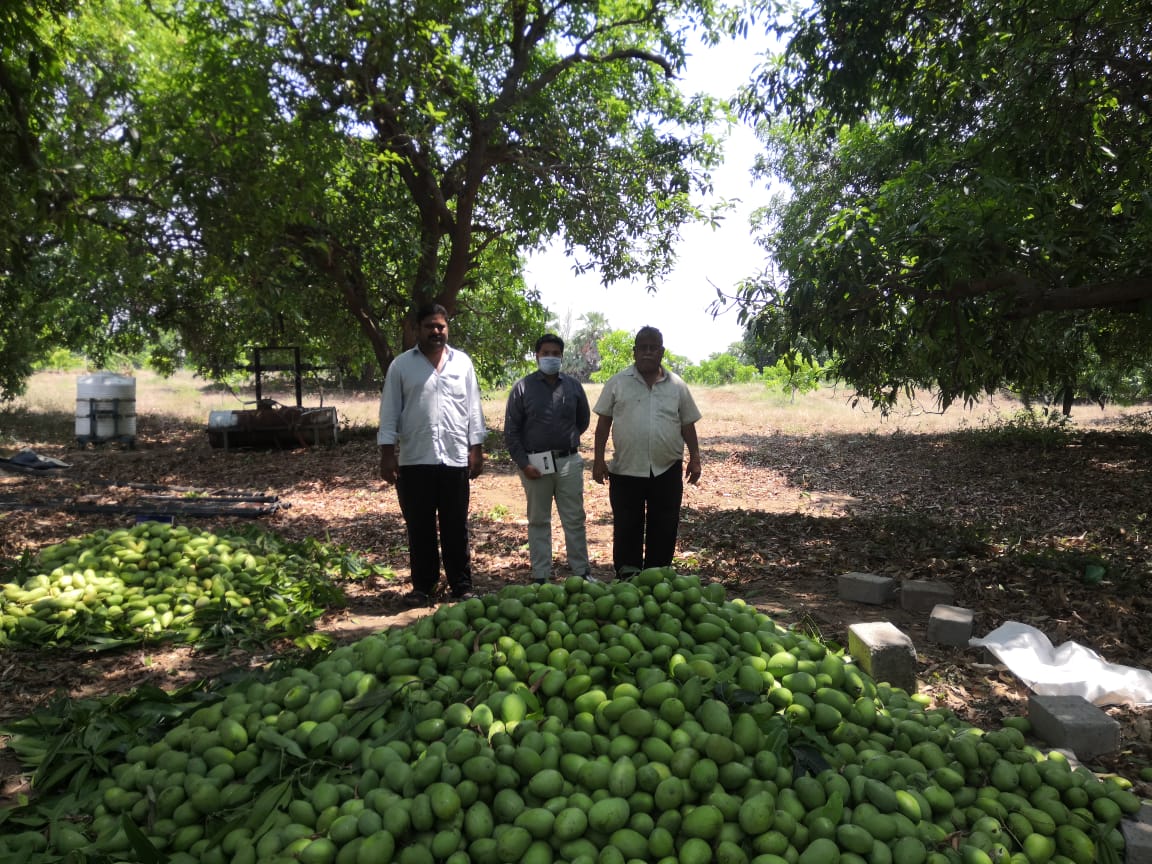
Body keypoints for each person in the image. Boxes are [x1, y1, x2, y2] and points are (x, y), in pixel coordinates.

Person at [378, 303, 486, 605]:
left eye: (442, 326)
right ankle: (423, 586)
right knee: (420, 527)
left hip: (454, 459)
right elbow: (389, 412)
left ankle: (461, 585)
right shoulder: (401, 366)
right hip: (415, 460)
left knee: (456, 526)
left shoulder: (462, 363)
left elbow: (473, 409)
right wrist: (387, 454)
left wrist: (475, 448)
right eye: (430, 326)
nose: (437, 331)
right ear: (417, 328)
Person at [592, 326, 702, 579]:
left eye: (654, 348)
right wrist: (598, 460)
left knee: (664, 525)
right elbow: (603, 424)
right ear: (635, 351)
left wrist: (695, 458)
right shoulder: (618, 383)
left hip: (666, 468)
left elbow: (687, 424)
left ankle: (658, 576)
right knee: (627, 525)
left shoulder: (677, 386)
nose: (648, 352)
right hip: (626, 468)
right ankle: (628, 575)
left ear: (662, 352)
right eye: (643, 347)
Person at [504, 334, 593, 584]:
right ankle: (541, 575)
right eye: (546, 353)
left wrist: (565, 438)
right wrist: (524, 463)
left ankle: (581, 572)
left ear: (562, 356)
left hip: (568, 462)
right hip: (535, 464)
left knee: (574, 519)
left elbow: (582, 421)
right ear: (537, 356)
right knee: (539, 520)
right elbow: (511, 431)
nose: (551, 357)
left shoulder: (573, 386)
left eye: (556, 353)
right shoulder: (522, 388)